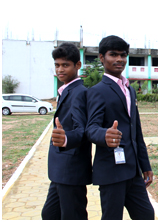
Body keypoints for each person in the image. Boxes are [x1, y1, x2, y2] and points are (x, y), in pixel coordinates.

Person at [86, 35, 154, 220]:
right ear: (101, 57)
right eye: (113, 54)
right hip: (111, 171)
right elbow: (90, 128)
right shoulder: (97, 91)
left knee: (147, 215)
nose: (119, 59)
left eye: (123, 55)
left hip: (133, 171)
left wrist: (145, 165)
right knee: (112, 217)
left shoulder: (130, 89)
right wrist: (104, 134)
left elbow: (136, 131)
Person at [42, 42, 92, 220]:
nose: (60, 69)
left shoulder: (79, 92)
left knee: (73, 216)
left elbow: (83, 130)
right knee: (49, 214)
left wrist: (65, 139)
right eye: (57, 65)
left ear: (77, 66)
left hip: (71, 171)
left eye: (65, 65)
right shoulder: (65, 90)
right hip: (60, 170)